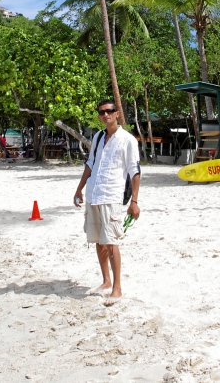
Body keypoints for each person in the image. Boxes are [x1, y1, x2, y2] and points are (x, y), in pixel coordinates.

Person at [73, 99, 141, 306]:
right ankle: (105, 281)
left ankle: (117, 288)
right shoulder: (98, 137)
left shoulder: (128, 140)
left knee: (111, 242)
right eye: (102, 112)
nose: (106, 115)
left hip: (112, 195)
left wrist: (134, 202)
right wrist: (79, 189)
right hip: (94, 193)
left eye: (110, 111)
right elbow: (90, 163)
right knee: (98, 240)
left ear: (117, 113)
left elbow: (134, 170)